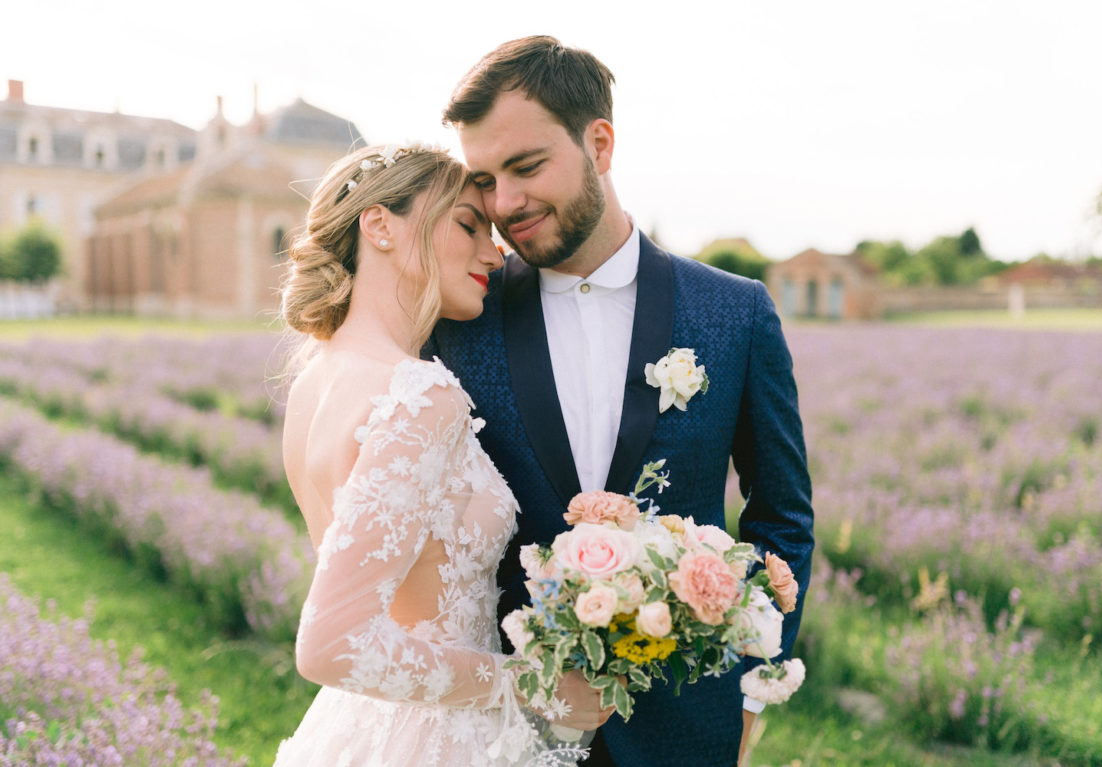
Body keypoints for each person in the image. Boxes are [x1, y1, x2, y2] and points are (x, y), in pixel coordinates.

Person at [426, 36, 816, 767]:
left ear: (599, 143)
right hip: (502, 729)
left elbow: (781, 516)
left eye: (527, 166)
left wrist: (750, 686)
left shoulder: (736, 314)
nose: (505, 204)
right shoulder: (457, 322)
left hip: (685, 727)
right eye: (484, 179)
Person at [272, 143, 611, 767]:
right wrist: (531, 683)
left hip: (359, 729)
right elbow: (331, 645)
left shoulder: (313, 385)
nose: (494, 251)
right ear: (379, 226)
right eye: (466, 225)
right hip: (440, 739)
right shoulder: (421, 392)